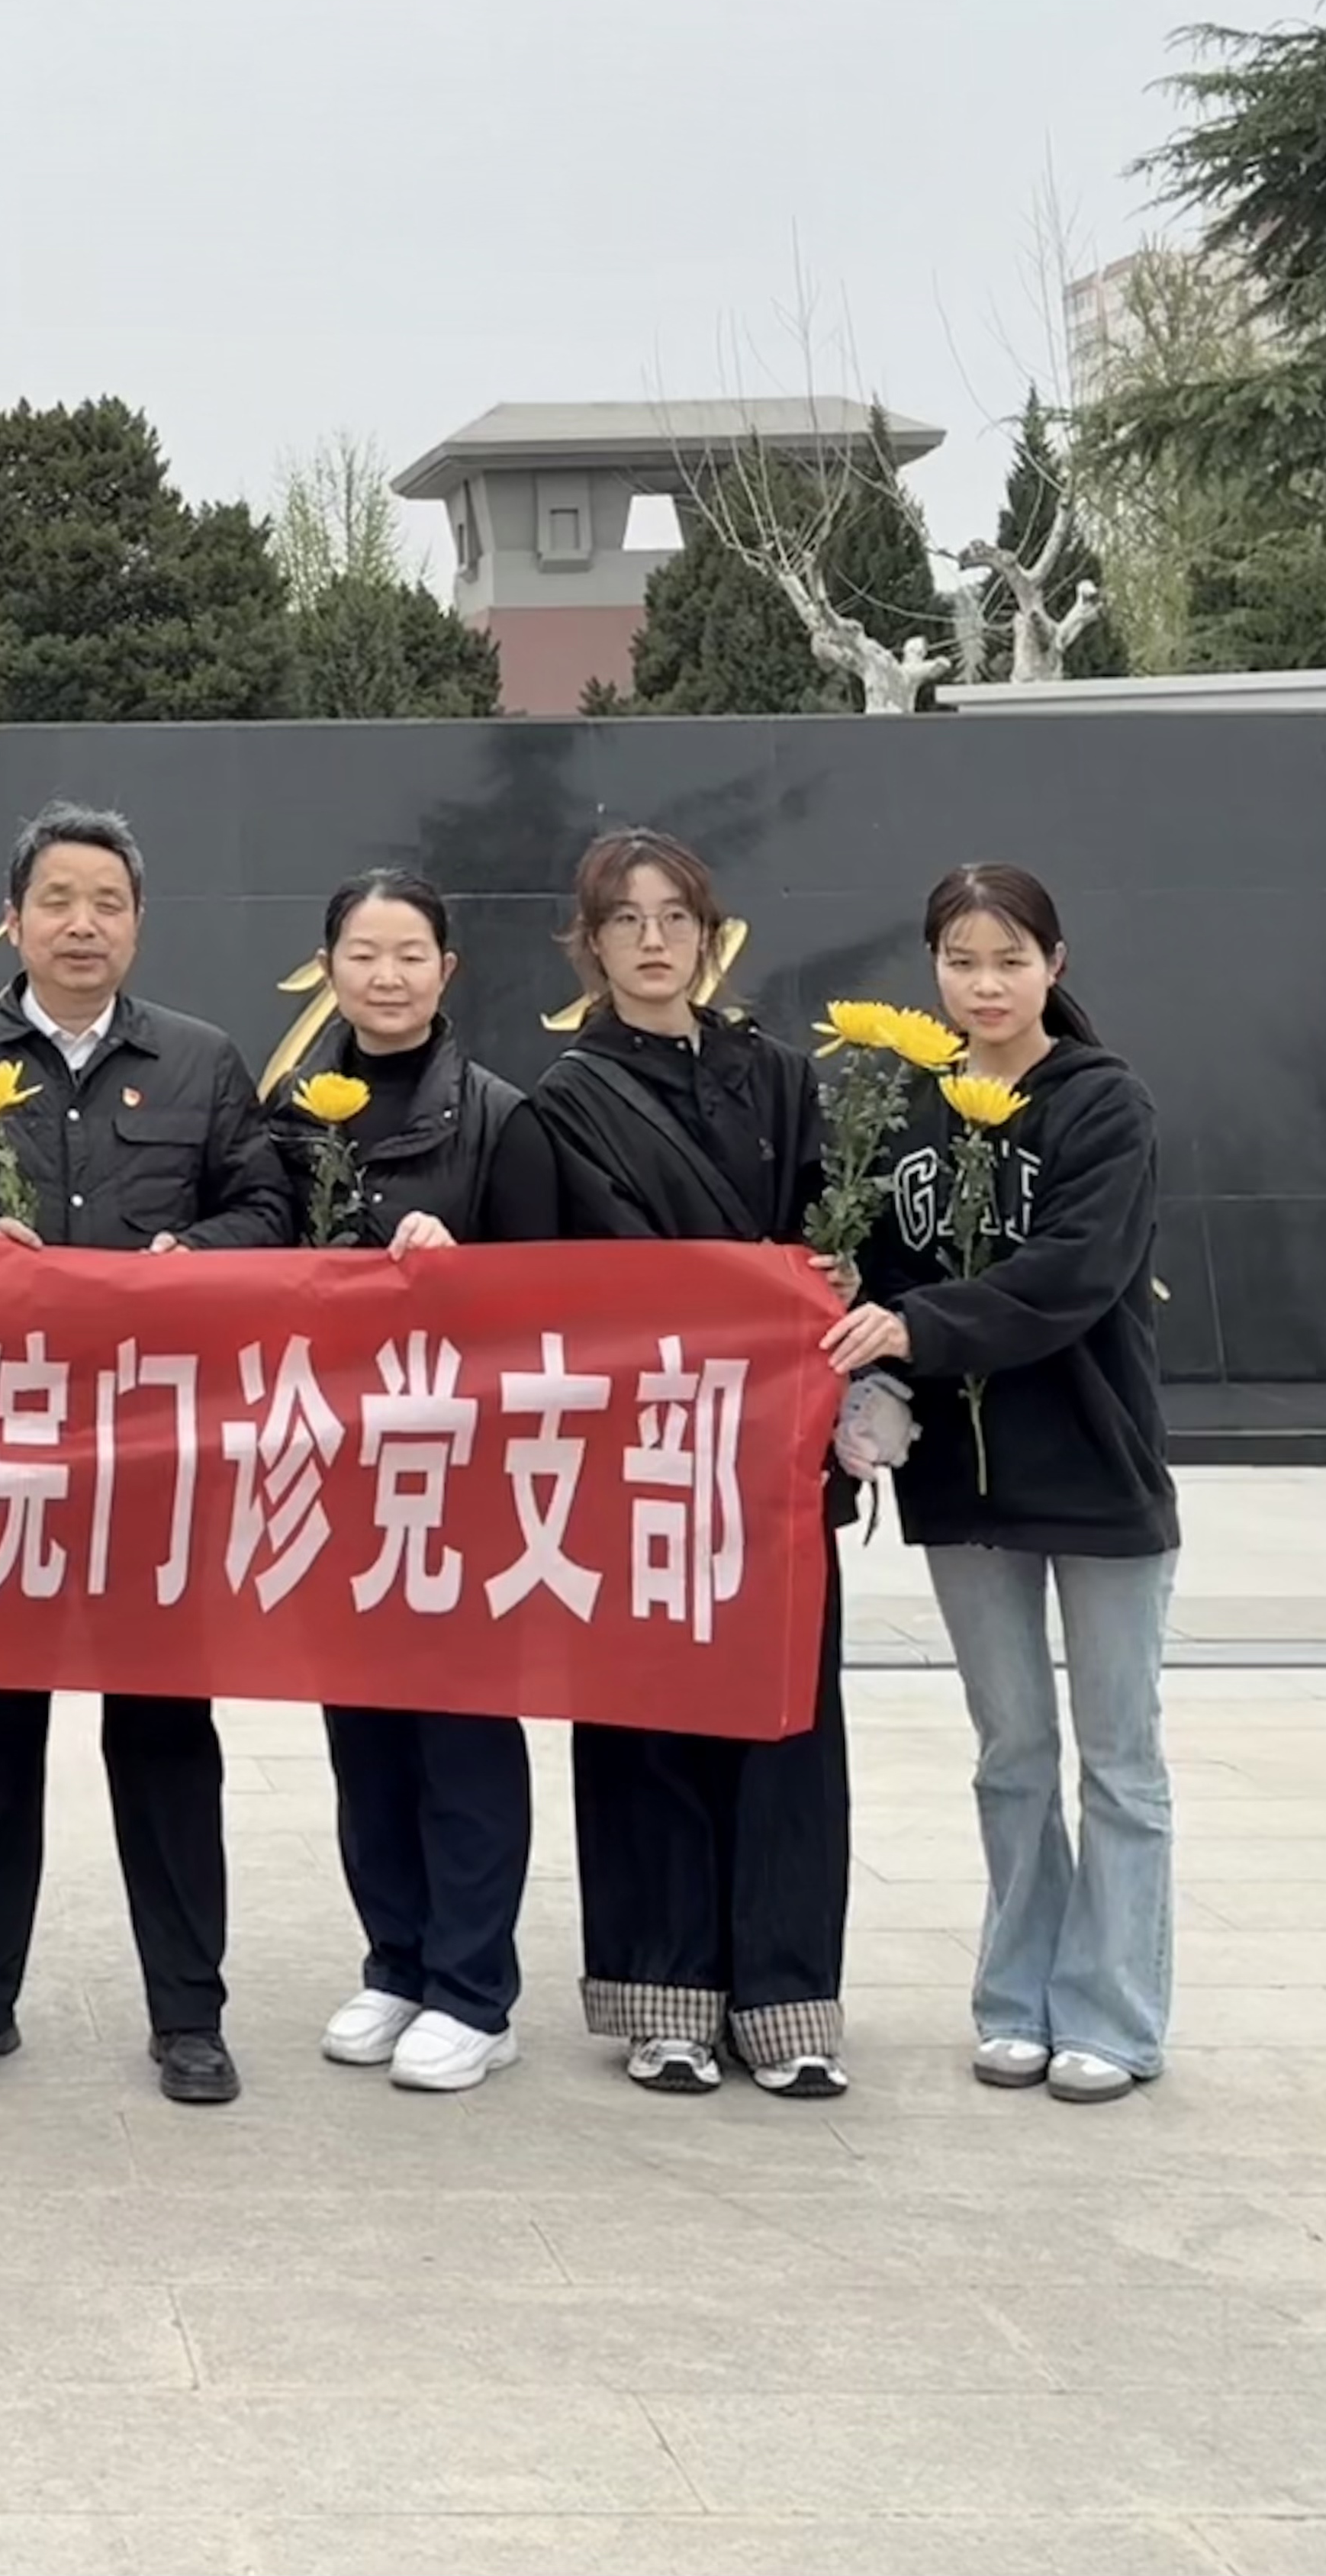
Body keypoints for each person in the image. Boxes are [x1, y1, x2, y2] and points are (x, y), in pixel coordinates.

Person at [0, 802, 290, 2105]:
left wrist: (195, 1254)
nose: (81, 925)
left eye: (106, 903)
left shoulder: (201, 1060)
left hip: (151, 1461)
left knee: (166, 1734)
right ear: (11, 920)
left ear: (137, 922)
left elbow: (266, 1205)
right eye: (56, 900)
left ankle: (188, 2015)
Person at [827, 863, 1177, 2104]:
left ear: (1054, 967)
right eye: (960, 962)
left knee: (1117, 1759)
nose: (984, 986)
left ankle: (1114, 2017)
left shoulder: (1102, 1104)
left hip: (1093, 1466)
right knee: (1011, 1750)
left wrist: (915, 1328)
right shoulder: (901, 1112)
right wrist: (858, 1338)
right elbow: (871, 1269)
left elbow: (1074, 1272)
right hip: (964, 1486)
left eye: (1009, 961)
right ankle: (1015, 1999)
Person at [526, 827, 858, 2098]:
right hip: (640, 1454)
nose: (652, 940)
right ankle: (663, 1996)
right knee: (645, 1723)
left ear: (709, 939)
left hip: (769, 1457)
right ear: (590, 944)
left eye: (675, 918)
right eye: (625, 919)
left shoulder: (779, 1079)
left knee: (786, 1723)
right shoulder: (563, 1099)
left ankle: (785, 1999)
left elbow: (824, 1236)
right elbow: (573, 1280)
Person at [283, 870, 562, 2096]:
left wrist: (467, 1266)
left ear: (446, 971)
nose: (384, 976)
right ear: (326, 971)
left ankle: (473, 1990)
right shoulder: (290, 1117)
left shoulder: (502, 1118)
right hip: (337, 1475)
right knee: (362, 1730)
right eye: (361, 953)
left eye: (408, 954)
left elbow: (551, 1303)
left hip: (463, 1481)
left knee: (460, 1731)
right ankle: (395, 1962)